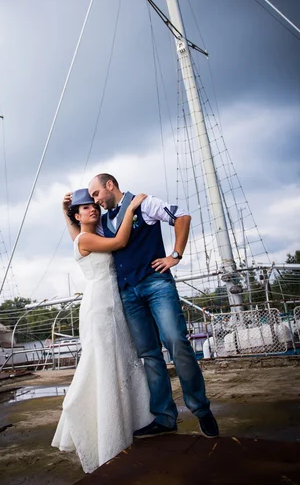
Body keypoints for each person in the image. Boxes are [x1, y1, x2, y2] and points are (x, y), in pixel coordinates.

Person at [88, 173, 219, 439]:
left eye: (96, 194)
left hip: (156, 283)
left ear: (109, 185)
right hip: (128, 293)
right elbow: (84, 236)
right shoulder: (103, 223)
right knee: (149, 354)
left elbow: (182, 217)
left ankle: (201, 409)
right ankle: (164, 417)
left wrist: (175, 255)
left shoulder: (143, 204)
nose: (96, 200)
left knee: (176, 341)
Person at [52, 188, 153, 473]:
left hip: (111, 300)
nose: (92, 209)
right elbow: (121, 242)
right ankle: (100, 425)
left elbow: (78, 229)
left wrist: (65, 212)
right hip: (101, 304)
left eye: (93, 205)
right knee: (104, 360)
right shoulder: (85, 238)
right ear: (78, 215)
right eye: (84, 208)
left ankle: (124, 420)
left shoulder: (83, 234)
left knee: (119, 357)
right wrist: (131, 209)